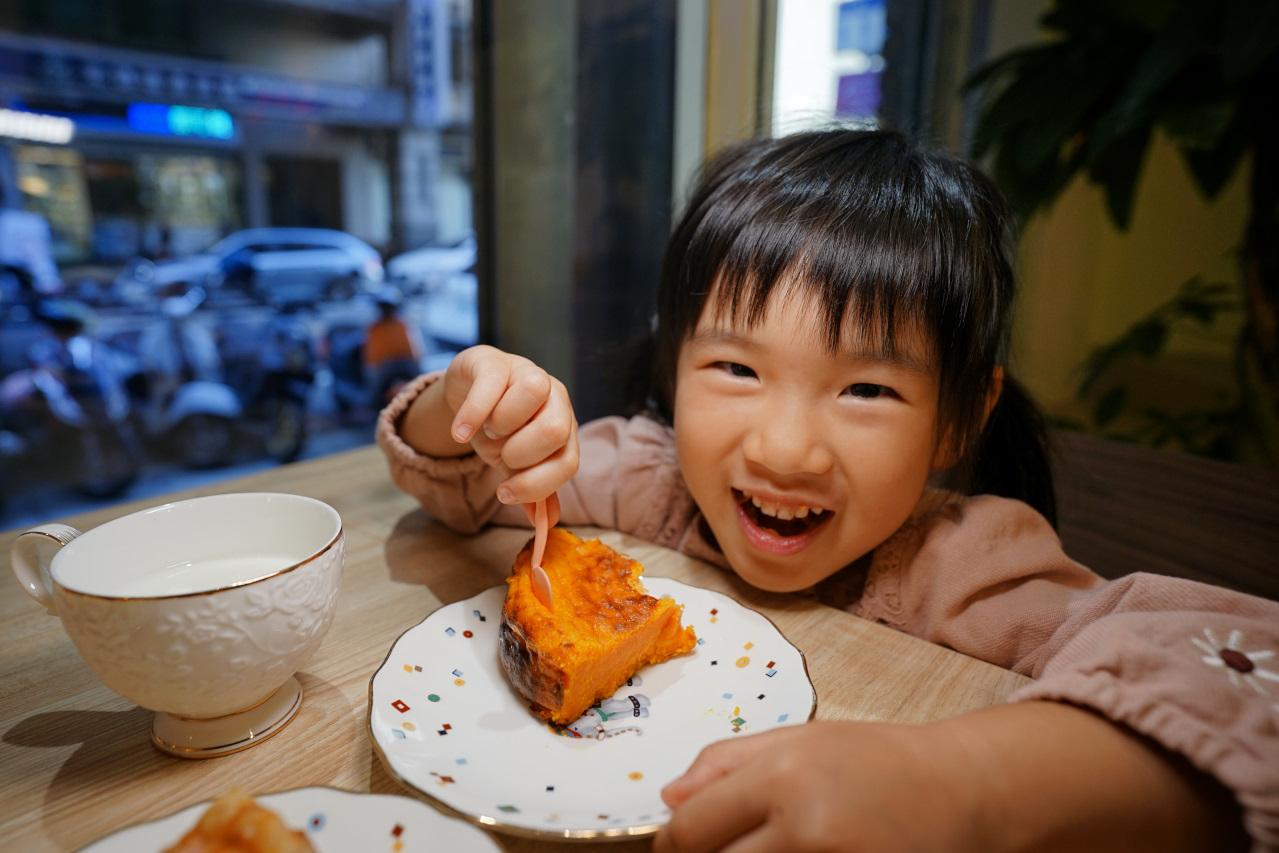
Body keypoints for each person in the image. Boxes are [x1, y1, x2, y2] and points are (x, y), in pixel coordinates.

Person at [376, 129, 1278, 851]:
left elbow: (1240, 674)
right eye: (734, 367)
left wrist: (971, 782)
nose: (784, 448)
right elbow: (459, 494)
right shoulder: (647, 478)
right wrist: (466, 412)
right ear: (673, 367)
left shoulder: (966, 564)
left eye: (867, 389)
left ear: (960, 419)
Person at [363, 285, 426, 407]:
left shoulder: (378, 327)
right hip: (402, 365)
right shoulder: (399, 324)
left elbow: (370, 360)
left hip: (390, 367)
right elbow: (416, 351)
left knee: (374, 388)